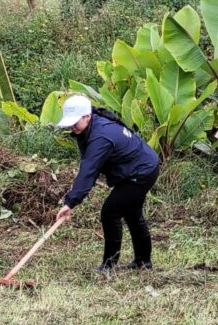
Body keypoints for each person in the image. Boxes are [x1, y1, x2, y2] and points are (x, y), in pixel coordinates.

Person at [55, 95, 161, 272]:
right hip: (137, 168)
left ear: (87, 116)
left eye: (75, 122)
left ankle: (109, 265)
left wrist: (70, 202)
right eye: (69, 122)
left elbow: (89, 170)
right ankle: (143, 262)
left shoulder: (101, 136)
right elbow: (90, 167)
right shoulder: (91, 126)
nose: (72, 126)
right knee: (132, 213)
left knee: (110, 212)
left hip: (142, 172)